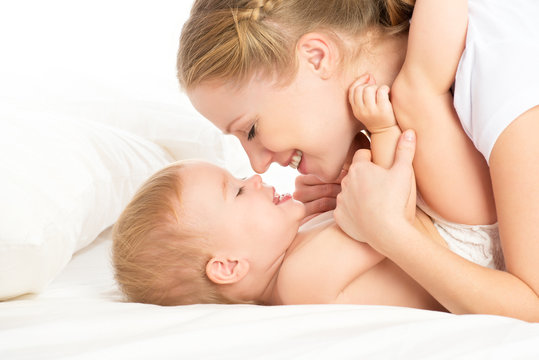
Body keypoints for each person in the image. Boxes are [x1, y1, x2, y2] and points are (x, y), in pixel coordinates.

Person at [112, 83, 499, 307]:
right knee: (420, 87)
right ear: (229, 266)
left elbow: (365, 214)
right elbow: (388, 214)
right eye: (237, 192)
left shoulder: (291, 254)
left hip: (441, 228)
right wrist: (380, 130)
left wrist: (334, 194)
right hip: (468, 250)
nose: (256, 179)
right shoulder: (299, 281)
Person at [335, 0, 539, 322]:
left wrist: (386, 229)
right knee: (414, 91)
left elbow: (534, 306)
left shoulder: (498, 57)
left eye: (251, 130)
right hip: (464, 245)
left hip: (465, 240)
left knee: (414, 92)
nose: (258, 169)